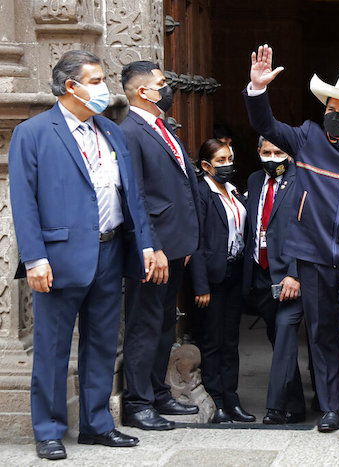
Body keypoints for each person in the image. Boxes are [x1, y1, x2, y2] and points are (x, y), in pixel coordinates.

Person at [243, 45, 339, 436]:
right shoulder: (308, 137)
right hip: (312, 256)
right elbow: (267, 126)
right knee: (323, 333)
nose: (331, 115)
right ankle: (331, 409)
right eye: (329, 107)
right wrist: (258, 89)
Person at [9, 50, 154, 460]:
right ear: (70, 86)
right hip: (57, 260)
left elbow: (131, 193)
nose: (102, 87)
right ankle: (49, 430)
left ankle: (96, 424)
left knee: (103, 343)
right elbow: (24, 201)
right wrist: (35, 259)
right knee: (53, 347)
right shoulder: (34, 133)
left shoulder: (110, 130)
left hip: (110, 252)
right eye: (95, 80)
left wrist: (143, 243)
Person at [120, 60, 201, 430]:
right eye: (162, 83)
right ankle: (137, 404)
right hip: (155, 252)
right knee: (145, 324)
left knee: (164, 322)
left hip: (176, 246)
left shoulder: (161, 127)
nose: (168, 89)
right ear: (143, 91)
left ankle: (157, 391)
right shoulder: (131, 131)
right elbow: (135, 194)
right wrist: (152, 245)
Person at [188, 139, 254, 423]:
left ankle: (232, 397)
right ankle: (216, 400)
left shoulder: (233, 191)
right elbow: (197, 241)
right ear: (206, 165)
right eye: (221, 161)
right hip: (212, 278)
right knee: (212, 341)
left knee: (231, 339)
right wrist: (200, 285)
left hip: (235, 273)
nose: (227, 165)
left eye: (229, 158)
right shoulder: (202, 193)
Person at [242, 136, 306, 424]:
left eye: (278, 152)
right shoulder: (256, 180)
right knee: (278, 338)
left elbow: (307, 229)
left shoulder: (302, 180)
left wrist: (294, 272)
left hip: (290, 276)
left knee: (284, 334)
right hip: (260, 274)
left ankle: (275, 408)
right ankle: (296, 406)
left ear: (289, 154)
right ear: (258, 152)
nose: (272, 157)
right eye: (266, 152)